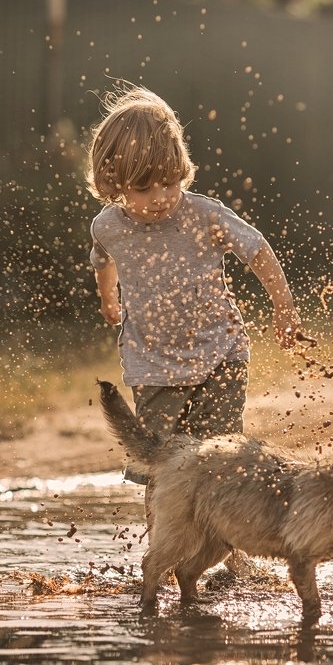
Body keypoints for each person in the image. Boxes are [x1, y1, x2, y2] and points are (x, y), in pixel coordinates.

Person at [87, 86, 300, 486]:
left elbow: (257, 251)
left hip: (220, 353)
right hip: (152, 363)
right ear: (113, 182)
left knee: (219, 459)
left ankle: (232, 545)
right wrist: (107, 298)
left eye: (169, 183)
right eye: (144, 187)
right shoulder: (108, 227)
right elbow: (102, 261)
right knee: (161, 467)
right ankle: (162, 548)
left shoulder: (204, 216)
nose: (161, 198)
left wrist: (283, 306)